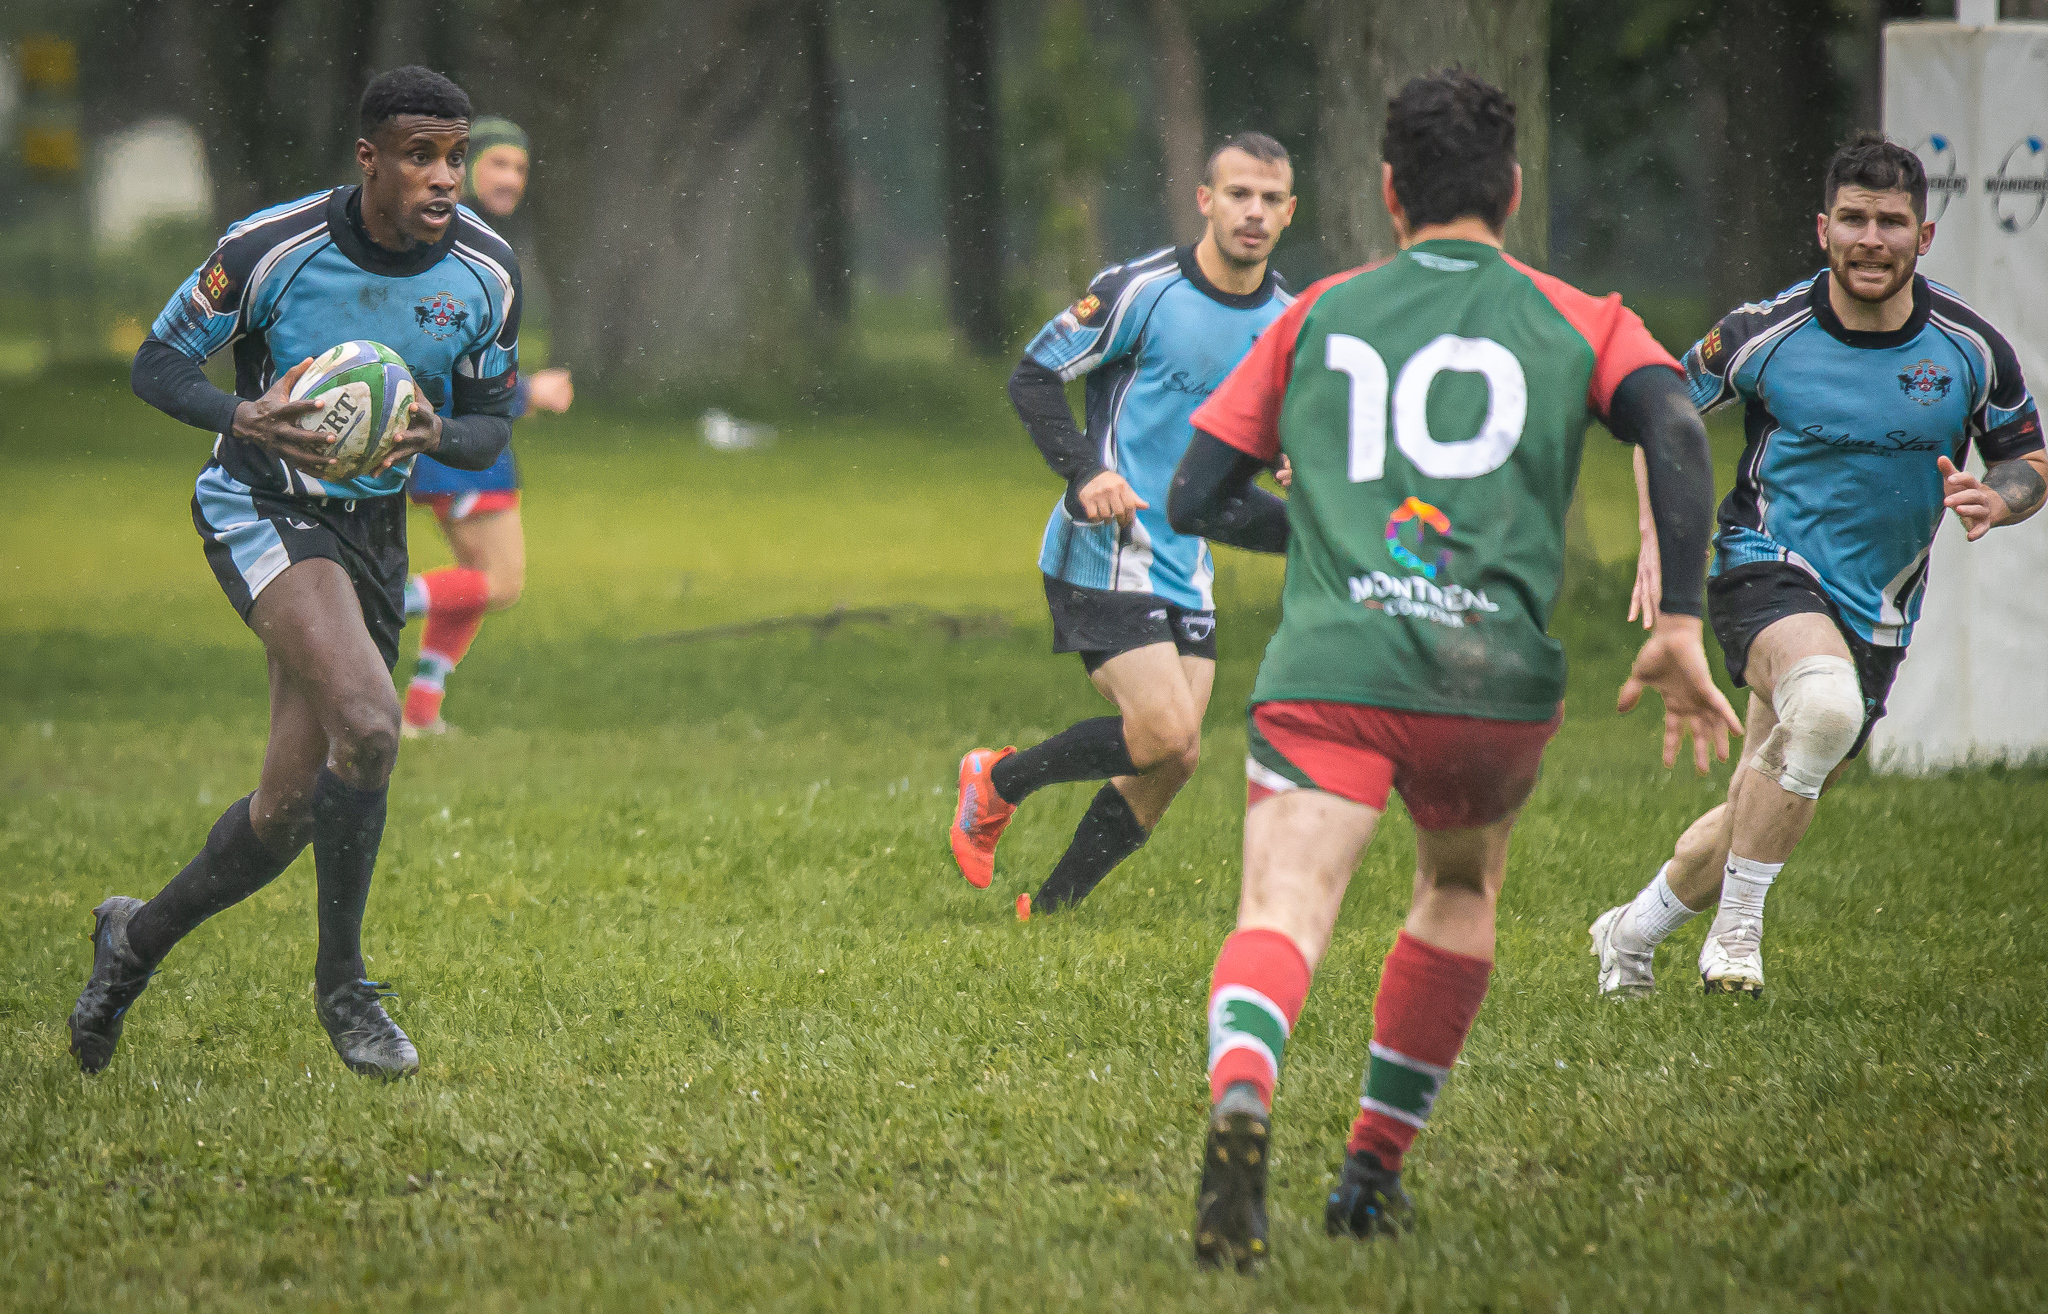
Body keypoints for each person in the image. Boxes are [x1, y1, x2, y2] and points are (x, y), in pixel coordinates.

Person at [1167, 71, 1739, 1269]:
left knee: (1281, 911)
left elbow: (1195, 492)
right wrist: (1677, 618)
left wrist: (1320, 533)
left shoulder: (1317, 311)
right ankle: (1369, 1172)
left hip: (1335, 667)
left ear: (1386, 193)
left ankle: (1242, 1094)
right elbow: (1675, 425)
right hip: (1489, 683)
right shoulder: (1580, 317)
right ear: (1512, 190)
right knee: (1458, 892)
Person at [67, 67, 521, 1079]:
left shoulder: (485, 271)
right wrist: (242, 414)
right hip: (260, 506)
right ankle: (345, 990)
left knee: (286, 814)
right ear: (369, 159)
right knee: (369, 724)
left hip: (372, 531)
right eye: (419, 156)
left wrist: (442, 429)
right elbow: (158, 362)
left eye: (452, 157)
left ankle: (131, 942)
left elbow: (497, 412)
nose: (443, 177)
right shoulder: (270, 250)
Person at [1590, 133, 2046, 999]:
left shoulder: (1971, 348)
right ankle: (1735, 944)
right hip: (1765, 564)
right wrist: (1659, 533)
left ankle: (1631, 932)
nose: (1872, 239)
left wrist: (2004, 497)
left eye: (1891, 222)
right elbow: (1658, 412)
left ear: (1924, 237)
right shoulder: (1762, 335)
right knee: (1826, 707)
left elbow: (2027, 455)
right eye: (1854, 219)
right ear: (1822, 230)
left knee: (1763, 801)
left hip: (1877, 608)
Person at [948, 132, 1297, 916]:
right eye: (1238, 193)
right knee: (1166, 733)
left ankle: (1053, 907)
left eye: (1271, 199)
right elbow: (1034, 375)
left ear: (1289, 213)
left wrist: (1290, 457)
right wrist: (1087, 472)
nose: (1254, 212)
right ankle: (995, 782)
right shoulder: (1140, 291)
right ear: (1205, 200)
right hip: (1101, 550)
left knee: (1172, 758)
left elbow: (1266, 427)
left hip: (1185, 558)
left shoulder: (1287, 321)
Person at [401, 115, 573, 737]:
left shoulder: (478, 238)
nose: (510, 179)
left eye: (520, 168)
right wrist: (527, 391)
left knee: (474, 584)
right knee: (500, 583)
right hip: (456, 441)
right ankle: (382, 601)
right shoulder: (454, 243)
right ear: (466, 169)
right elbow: (439, 352)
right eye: (498, 164)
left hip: (466, 440)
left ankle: (419, 712)